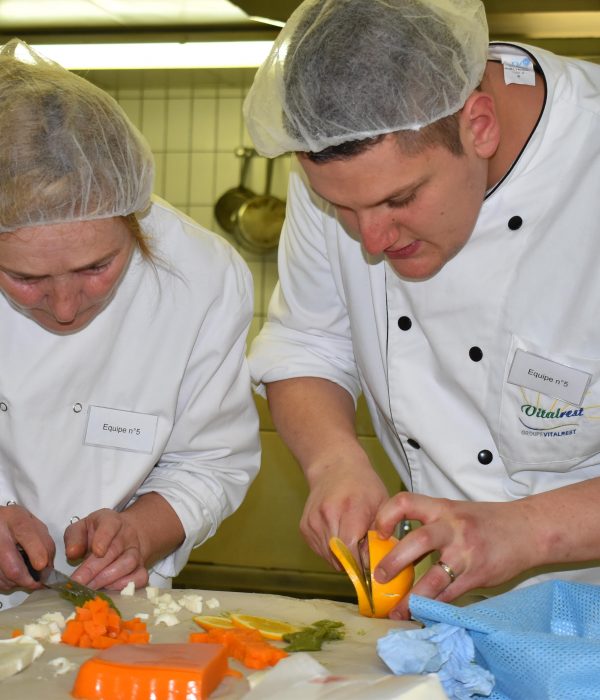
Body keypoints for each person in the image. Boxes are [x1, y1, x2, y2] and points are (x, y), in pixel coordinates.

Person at [243, 0, 600, 619]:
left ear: (478, 124)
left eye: (400, 199)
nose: (372, 241)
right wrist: (334, 461)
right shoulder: (339, 171)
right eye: (342, 212)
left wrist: (532, 528)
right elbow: (307, 343)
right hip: (451, 603)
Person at [0, 39, 260, 610]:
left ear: (135, 223)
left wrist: (142, 532)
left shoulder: (201, 277)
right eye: (24, 277)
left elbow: (212, 460)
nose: (65, 307)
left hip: (116, 606)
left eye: (97, 266)